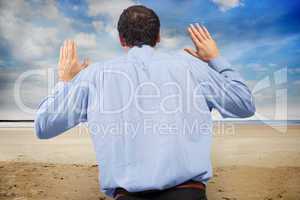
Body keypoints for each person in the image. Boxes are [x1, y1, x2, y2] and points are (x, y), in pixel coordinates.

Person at [35, 5, 255, 200]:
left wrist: (64, 81)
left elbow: (44, 126)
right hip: (188, 193)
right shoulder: (192, 68)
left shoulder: (94, 75)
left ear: (121, 39)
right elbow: (244, 104)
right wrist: (215, 59)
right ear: (157, 36)